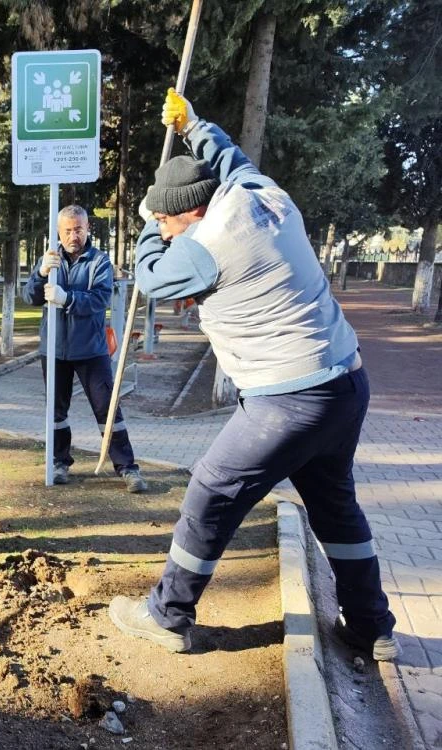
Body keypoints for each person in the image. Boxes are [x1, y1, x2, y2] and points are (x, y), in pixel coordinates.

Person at [108, 89, 399, 660]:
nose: (164, 229)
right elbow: (230, 160)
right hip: (345, 384)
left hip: (288, 400)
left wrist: (145, 224)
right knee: (335, 504)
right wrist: (194, 126)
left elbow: (149, 278)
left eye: (167, 221)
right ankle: (371, 626)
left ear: (190, 213)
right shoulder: (260, 194)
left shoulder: (205, 246)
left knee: (212, 489)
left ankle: (166, 615)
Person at [21, 205, 147, 493]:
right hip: (54, 350)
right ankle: (59, 461)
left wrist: (67, 298)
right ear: (58, 231)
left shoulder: (98, 261)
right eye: (67, 230)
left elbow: (98, 299)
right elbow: (29, 297)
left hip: (91, 350)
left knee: (107, 408)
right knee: (56, 411)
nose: (73, 235)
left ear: (88, 228)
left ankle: (127, 467)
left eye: (78, 229)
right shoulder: (50, 260)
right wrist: (41, 274)